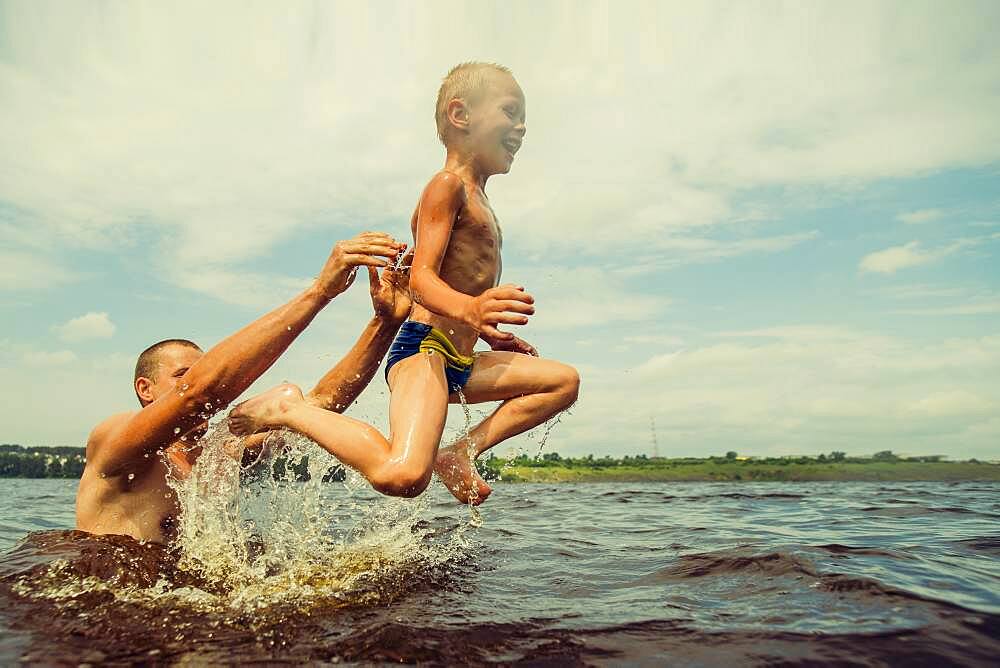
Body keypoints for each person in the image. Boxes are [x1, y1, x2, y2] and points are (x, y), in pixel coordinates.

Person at [228, 63, 580, 506]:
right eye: (511, 112)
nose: (522, 126)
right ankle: (289, 409)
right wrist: (472, 311)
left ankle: (461, 453)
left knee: (563, 382)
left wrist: (486, 329)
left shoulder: (481, 198)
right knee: (404, 474)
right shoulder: (445, 186)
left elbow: (459, 285)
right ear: (460, 115)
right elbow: (421, 279)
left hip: (460, 356)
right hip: (423, 350)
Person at [75, 232, 409, 544]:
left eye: (204, 369)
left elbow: (320, 407)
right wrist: (320, 291)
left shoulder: (220, 454)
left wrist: (385, 323)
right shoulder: (114, 443)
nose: (204, 378)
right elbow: (198, 394)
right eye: (182, 374)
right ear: (145, 389)